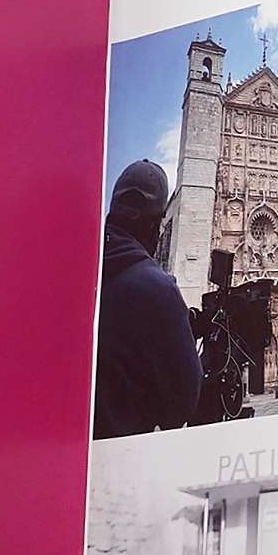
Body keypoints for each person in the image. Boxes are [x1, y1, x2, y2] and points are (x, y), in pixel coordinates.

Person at [93, 161, 200, 439]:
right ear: (156, 224)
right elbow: (181, 405)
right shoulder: (156, 289)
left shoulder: (69, 265)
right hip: (121, 449)